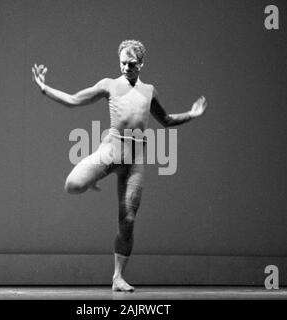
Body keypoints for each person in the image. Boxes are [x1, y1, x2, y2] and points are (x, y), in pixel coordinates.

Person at [32, 40, 207, 292]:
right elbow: (73, 100)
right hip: (111, 150)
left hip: (134, 160)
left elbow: (166, 120)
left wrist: (192, 114)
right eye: (123, 62)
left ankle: (117, 277)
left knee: (128, 220)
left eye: (132, 64)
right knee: (73, 185)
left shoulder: (149, 91)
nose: (126, 67)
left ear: (141, 64)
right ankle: (94, 177)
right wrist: (44, 88)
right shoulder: (109, 85)